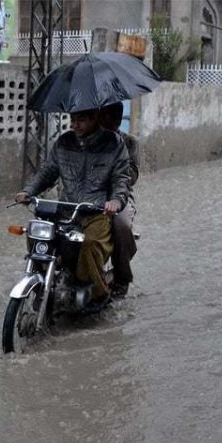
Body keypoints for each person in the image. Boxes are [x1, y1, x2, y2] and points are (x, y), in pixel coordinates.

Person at [14, 109, 131, 309]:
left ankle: (96, 293)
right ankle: (43, 282)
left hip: (96, 212)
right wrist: (28, 191)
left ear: (95, 119)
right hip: (65, 209)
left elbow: (121, 179)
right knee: (37, 234)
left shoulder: (114, 143)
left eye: (81, 120)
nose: (75, 125)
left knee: (90, 243)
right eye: (73, 120)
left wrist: (116, 201)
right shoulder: (64, 142)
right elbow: (48, 172)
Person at [98, 102, 139, 299]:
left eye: (107, 118)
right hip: (90, 197)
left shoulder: (129, 142)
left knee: (120, 224)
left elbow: (131, 176)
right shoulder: (91, 141)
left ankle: (122, 278)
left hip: (120, 198)